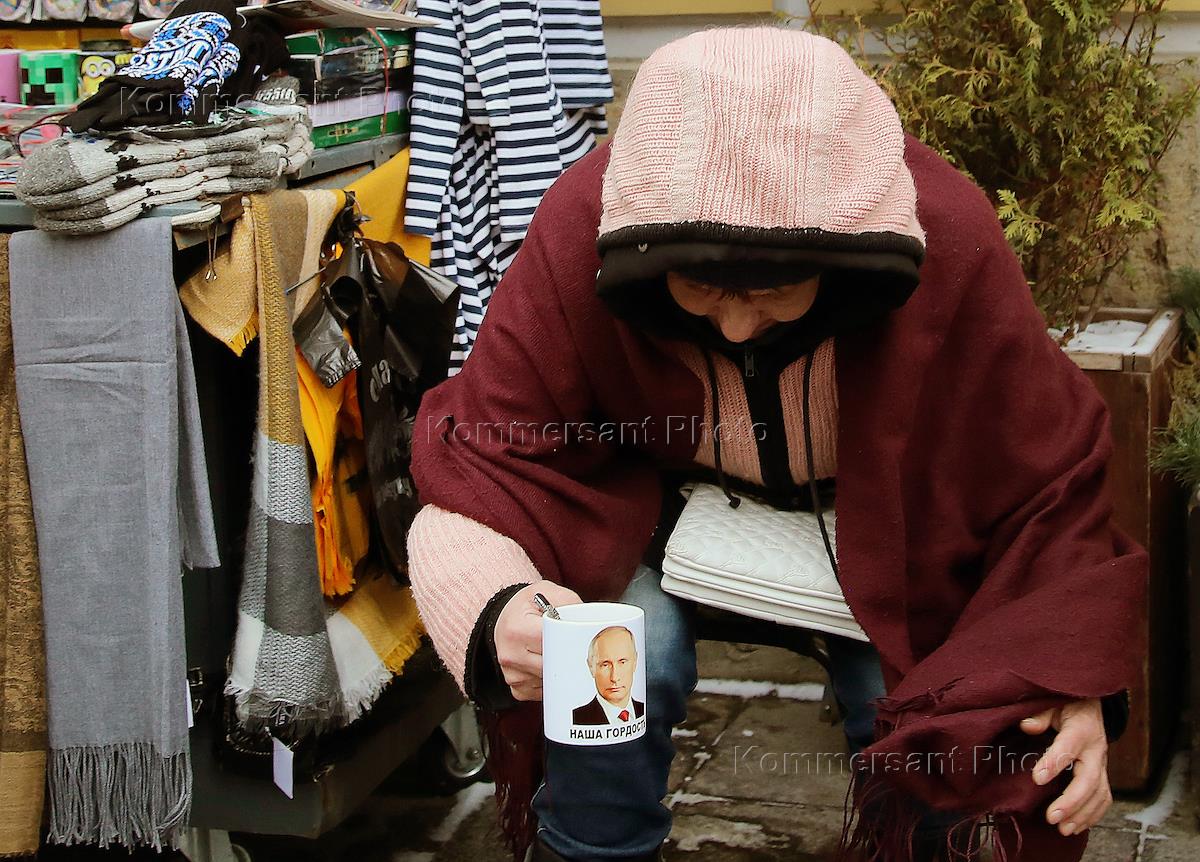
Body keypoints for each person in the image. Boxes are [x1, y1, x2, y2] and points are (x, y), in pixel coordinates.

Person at [405, 26, 1146, 862]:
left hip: (888, 521)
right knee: (614, 667)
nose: (734, 326)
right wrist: (497, 607)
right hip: (653, 511)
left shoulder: (947, 236)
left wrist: (1065, 669)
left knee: (917, 704)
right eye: (701, 286)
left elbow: (1051, 481)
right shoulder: (586, 226)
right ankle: (592, 848)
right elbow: (478, 459)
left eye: (775, 292)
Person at [572, 626, 644, 726]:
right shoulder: (576, 719)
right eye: (605, 665)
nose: (614, 678)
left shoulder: (645, 710)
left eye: (622, 662)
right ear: (591, 667)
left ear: (635, 662)